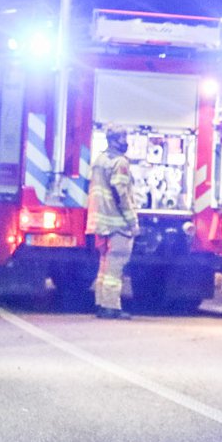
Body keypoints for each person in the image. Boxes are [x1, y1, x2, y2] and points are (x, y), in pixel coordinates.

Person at [86, 124, 138, 320]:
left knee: (105, 265)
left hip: (101, 222)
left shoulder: (99, 160)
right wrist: (132, 222)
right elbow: (121, 193)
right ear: (115, 140)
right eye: (123, 138)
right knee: (115, 266)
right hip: (117, 224)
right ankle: (112, 307)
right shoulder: (120, 163)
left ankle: (101, 303)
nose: (126, 142)